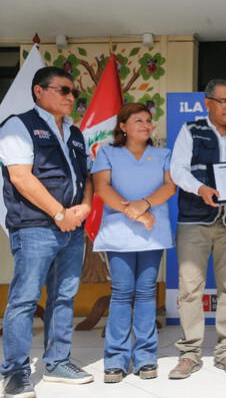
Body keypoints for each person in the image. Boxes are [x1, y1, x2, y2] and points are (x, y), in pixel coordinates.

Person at [0, 66, 94, 398]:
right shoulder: (18, 125)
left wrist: (84, 207)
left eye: (74, 93)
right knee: (24, 300)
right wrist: (58, 213)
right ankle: (14, 372)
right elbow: (21, 178)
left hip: (72, 228)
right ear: (40, 91)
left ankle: (57, 362)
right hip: (35, 227)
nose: (71, 97)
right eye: (64, 90)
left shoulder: (76, 132)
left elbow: (87, 178)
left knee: (64, 297)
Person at [169, 78, 226, 378]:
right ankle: (190, 352)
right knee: (190, 289)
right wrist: (200, 189)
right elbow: (177, 170)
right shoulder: (191, 130)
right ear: (207, 103)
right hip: (195, 220)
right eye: (223, 101)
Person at [92, 102, 176, 383]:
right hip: (119, 233)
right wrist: (134, 212)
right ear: (123, 126)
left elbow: (169, 187)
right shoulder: (107, 152)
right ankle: (115, 358)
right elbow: (102, 187)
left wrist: (144, 204)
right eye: (138, 120)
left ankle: (145, 357)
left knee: (146, 293)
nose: (145, 124)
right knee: (122, 292)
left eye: (148, 120)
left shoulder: (162, 154)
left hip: (152, 235)